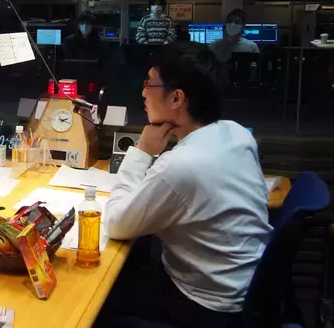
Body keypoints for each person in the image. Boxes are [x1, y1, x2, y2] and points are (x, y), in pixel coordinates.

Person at [102, 43, 272, 328]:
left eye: (149, 84)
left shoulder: (181, 166)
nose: (143, 92)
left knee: (98, 300)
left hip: (205, 308)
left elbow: (116, 224)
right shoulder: (237, 133)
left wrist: (142, 152)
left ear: (176, 98)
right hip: (242, 291)